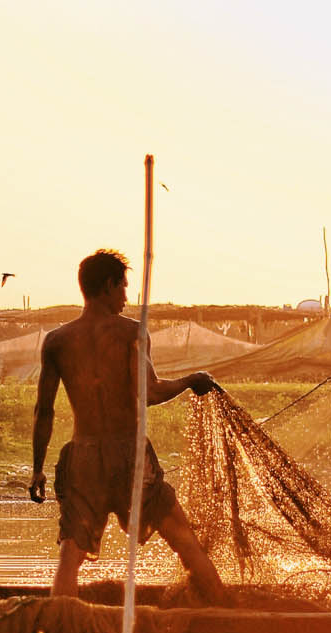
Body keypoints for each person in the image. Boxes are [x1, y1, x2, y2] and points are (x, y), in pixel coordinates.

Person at [28, 249, 231, 604]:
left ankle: (60, 625)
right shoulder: (132, 333)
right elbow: (149, 392)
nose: (126, 296)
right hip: (130, 458)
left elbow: (43, 411)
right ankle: (225, 619)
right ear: (107, 286)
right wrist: (191, 380)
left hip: (83, 458)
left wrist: (36, 470)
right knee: (184, 540)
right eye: (123, 287)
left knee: (69, 556)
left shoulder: (57, 341)